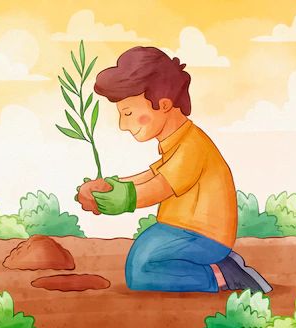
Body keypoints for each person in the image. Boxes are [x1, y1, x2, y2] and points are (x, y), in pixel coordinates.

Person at [76, 46, 272, 293]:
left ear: (164, 104)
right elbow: (152, 175)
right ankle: (220, 267)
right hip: (180, 230)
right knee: (140, 262)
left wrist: (121, 199)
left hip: (202, 236)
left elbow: (159, 187)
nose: (123, 125)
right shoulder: (179, 141)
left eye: (128, 113)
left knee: (141, 271)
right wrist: (109, 185)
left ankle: (224, 275)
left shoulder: (192, 147)